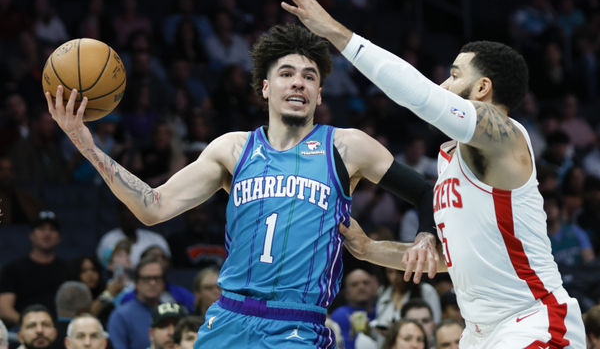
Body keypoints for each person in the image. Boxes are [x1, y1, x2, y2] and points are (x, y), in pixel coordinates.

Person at [45, 22, 438, 347]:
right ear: (266, 87)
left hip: (297, 326)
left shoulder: (346, 146)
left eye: (309, 77)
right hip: (229, 318)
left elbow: (423, 192)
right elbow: (152, 206)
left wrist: (425, 235)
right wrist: (86, 144)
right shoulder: (232, 149)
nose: (298, 83)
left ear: (319, 94)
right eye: (286, 74)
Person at [279, 0, 586, 348]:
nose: (443, 85)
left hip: (534, 319)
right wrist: (368, 249)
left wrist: (337, 34)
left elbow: (422, 96)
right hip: (480, 333)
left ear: (482, 87)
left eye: (454, 75)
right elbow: (453, 260)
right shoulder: (450, 159)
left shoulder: (505, 134)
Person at [0, 211, 71, 326]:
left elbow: (78, 307)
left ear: (59, 237)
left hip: (60, 330)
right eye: (41, 229)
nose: (47, 233)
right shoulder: (13, 269)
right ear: (31, 235)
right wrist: (30, 325)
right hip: (22, 329)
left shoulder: (68, 269)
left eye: (52, 229)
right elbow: (4, 309)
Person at [107, 258, 182, 349]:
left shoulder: (174, 312)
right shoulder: (120, 315)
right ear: (136, 282)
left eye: (157, 278)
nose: (152, 283)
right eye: (147, 278)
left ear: (164, 282)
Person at [330, 269, 378, 349]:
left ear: (375, 287)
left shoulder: (383, 309)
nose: (361, 287)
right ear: (346, 293)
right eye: (354, 284)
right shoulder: (340, 315)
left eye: (366, 283)